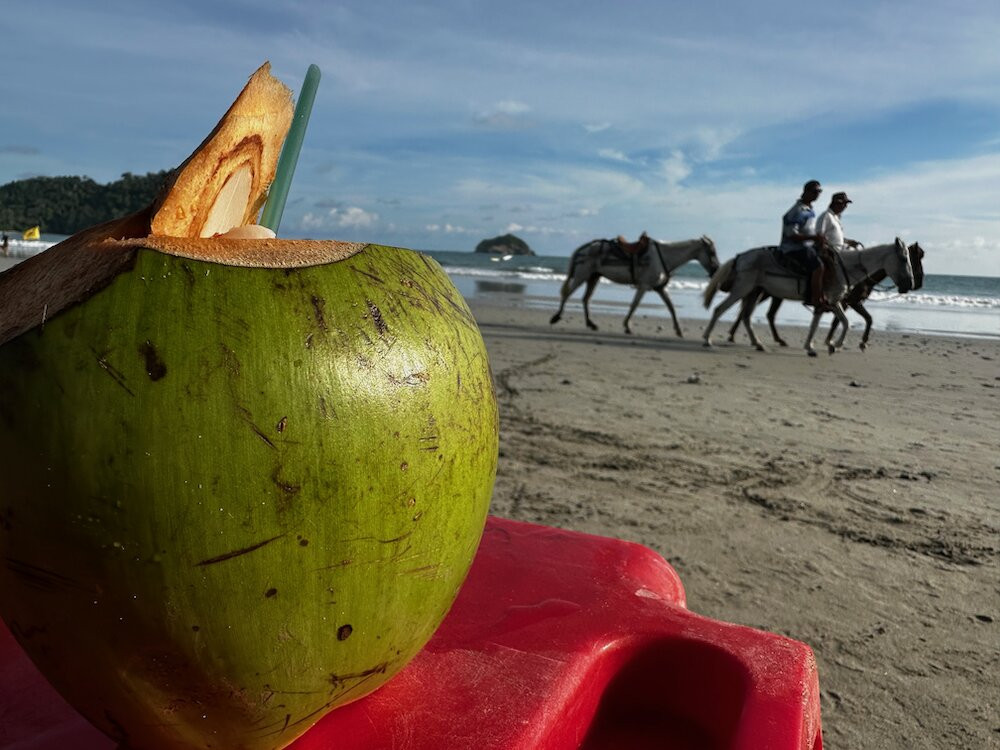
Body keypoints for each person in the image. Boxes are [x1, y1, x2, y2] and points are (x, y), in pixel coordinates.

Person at [778, 180, 828, 306]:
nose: (817, 194)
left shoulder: (809, 210)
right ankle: (815, 299)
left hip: (806, 245)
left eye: (819, 192)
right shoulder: (797, 211)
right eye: (815, 191)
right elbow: (792, 235)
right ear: (806, 192)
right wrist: (814, 238)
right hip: (794, 248)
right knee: (819, 267)